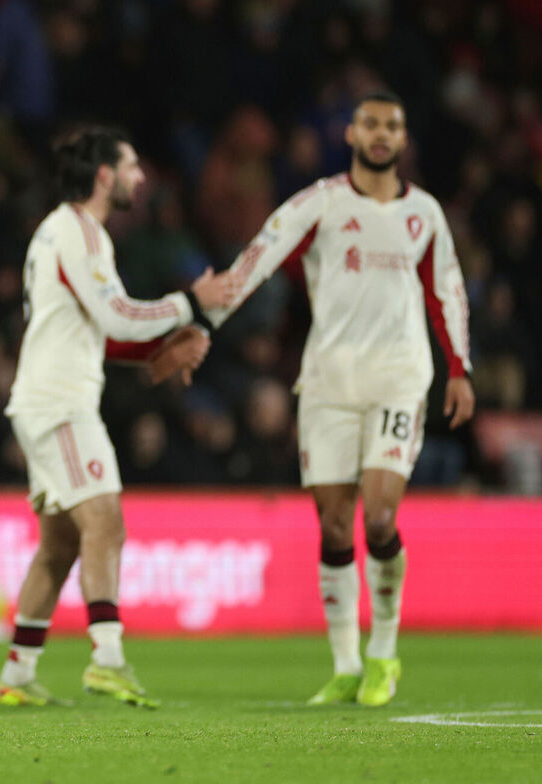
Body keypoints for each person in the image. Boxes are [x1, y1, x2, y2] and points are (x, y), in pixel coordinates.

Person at [195, 91, 475, 707]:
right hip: (328, 383)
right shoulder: (322, 202)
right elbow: (262, 253)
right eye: (370, 124)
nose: (381, 135)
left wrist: (460, 368)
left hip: (400, 376)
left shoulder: (423, 214)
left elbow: (447, 291)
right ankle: (346, 662)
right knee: (331, 521)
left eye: (392, 126)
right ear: (351, 133)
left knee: (378, 516)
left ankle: (384, 654)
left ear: (403, 139)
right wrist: (208, 315)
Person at [0, 126, 226, 709]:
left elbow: (99, 329)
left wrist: (159, 351)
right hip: (61, 403)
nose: (140, 177)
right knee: (106, 522)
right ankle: (108, 659)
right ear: (104, 175)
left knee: (60, 545)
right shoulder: (78, 230)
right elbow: (118, 315)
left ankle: (18, 673)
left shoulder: (63, 231)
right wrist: (191, 303)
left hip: (47, 396)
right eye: (131, 166)